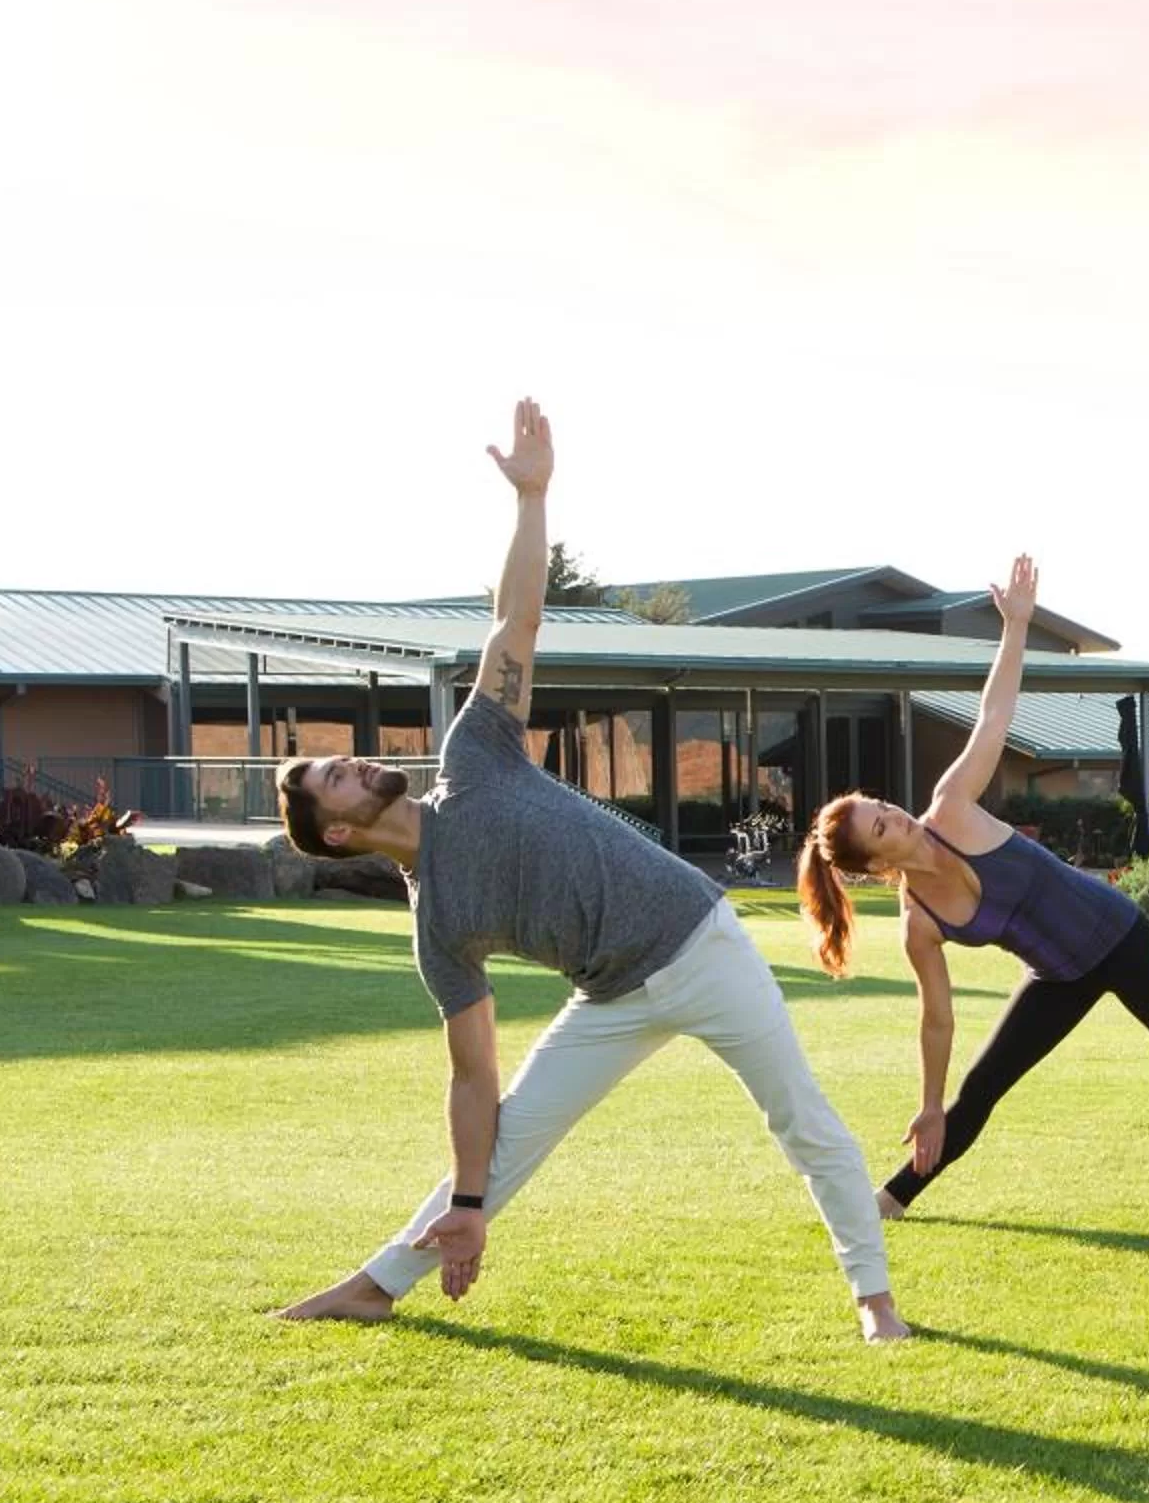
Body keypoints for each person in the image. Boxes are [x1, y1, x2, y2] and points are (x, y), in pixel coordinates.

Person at [271, 401, 902, 1341]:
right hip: (611, 996)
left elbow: (513, 622)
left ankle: (874, 1301)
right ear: (336, 834)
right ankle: (376, 1285)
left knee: (801, 1122)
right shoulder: (436, 923)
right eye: (335, 778)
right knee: (512, 1134)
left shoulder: (472, 758)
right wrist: (472, 1199)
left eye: (342, 760)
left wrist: (532, 499)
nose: (356, 763)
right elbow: (473, 1078)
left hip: (701, 944)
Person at [795, 555, 1149, 1225]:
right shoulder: (920, 922)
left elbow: (994, 715)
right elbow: (936, 1018)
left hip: (1119, 936)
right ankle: (890, 1200)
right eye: (882, 826)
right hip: (1057, 974)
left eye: (884, 806)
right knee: (981, 1086)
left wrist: (1017, 626)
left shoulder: (951, 808)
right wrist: (930, 1102)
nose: (897, 817)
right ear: (875, 861)